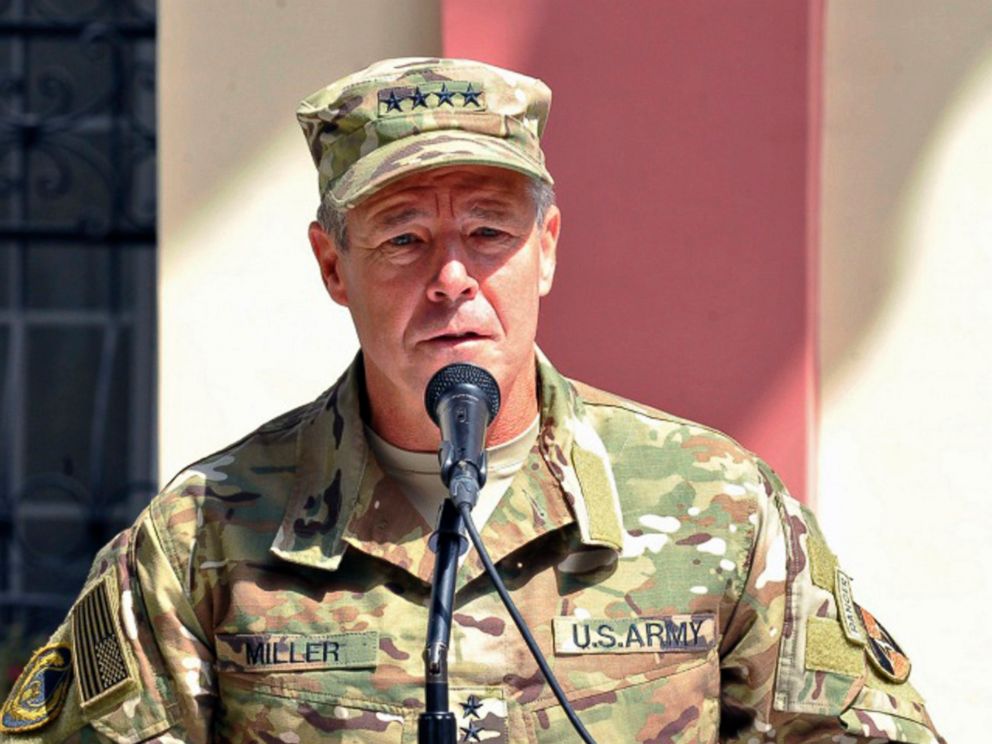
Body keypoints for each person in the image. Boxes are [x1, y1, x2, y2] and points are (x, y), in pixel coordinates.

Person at [0, 57, 943, 744]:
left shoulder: (719, 508)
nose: (453, 277)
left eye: (490, 231)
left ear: (549, 248)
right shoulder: (205, 533)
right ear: (333, 266)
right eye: (403, 239)